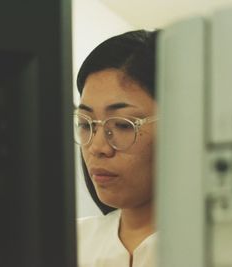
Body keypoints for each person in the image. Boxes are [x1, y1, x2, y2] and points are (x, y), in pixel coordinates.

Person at [74, 30, 158, 267]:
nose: (97, 147)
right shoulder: (72, 245)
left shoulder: (222, 250)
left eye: (122, 125)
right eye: (85, 124)